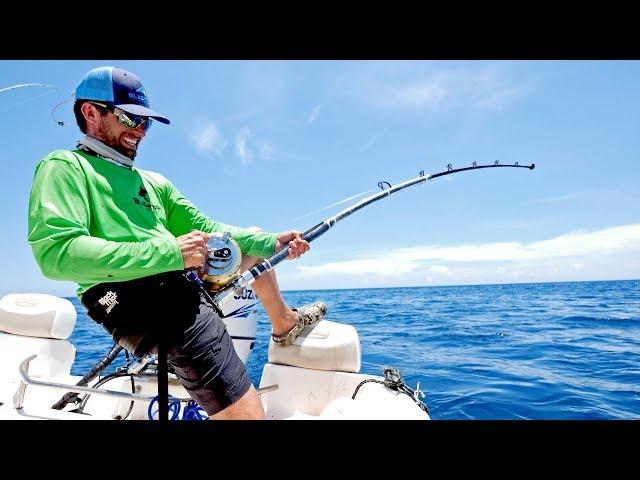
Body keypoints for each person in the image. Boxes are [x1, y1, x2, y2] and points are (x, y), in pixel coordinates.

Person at [27, 66, 326, 419]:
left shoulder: (154, 183)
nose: (139, 131)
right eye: (129, 118)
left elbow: (208, 228)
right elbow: (57, 254)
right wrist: (170, 253)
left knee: (247, 249)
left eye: (146, 123)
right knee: (245, 411)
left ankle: (284, 324)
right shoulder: (64, 166)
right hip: (132, 297)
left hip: (175, 279)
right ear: (91, 112)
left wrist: (271, 241)